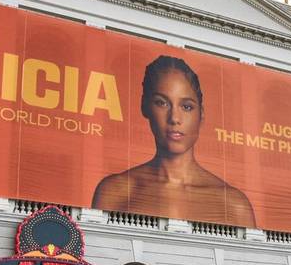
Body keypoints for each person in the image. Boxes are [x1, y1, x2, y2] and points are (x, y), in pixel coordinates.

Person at [92, 55, 255, 226]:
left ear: (201, 114)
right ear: (145, 106)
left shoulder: (234, 204)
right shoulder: (115, 191)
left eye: (186, 107)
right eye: (162, 103)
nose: (175, 118)